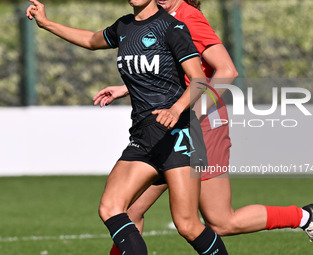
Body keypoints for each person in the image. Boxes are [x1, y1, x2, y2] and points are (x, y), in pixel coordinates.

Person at [93, 1, 313, 255]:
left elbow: (227, 70)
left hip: (200, 126)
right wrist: (127, 88)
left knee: (220, 221)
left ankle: (304, 216)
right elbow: (170, 74)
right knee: (129, 211)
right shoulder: (158, 18)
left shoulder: (188, 17)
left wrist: (191, 112)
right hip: (168, 128)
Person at [26, 0, 230, 254]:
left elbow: (199, 79)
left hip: (177, 135)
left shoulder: (172, 27)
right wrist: (46, 24)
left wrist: (176, 109)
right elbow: (91, 40)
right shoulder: (124, 26)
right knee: (111, 207)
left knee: (187, 225)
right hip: (144, 138)